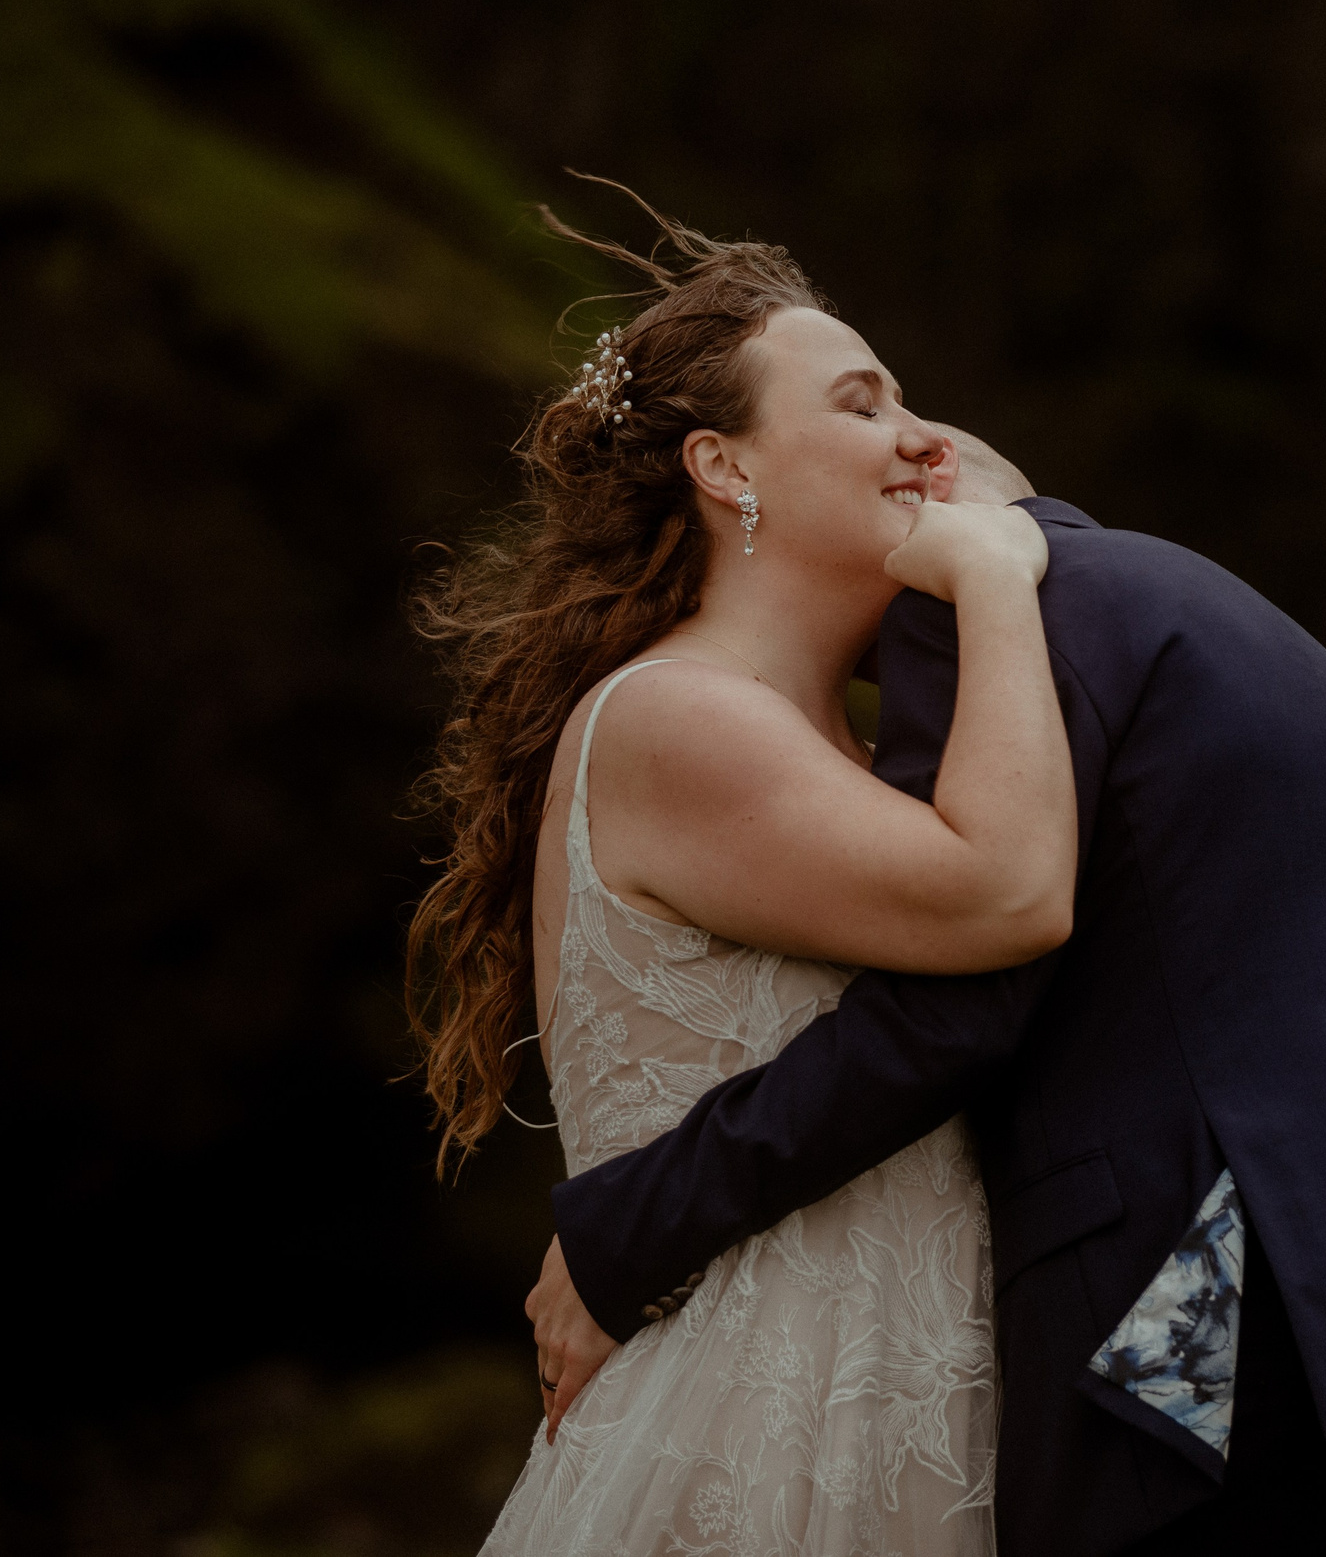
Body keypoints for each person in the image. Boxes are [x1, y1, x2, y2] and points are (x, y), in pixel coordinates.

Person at [524, 437, 1326, 1552]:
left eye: (895, 421)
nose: (890, 450)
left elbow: (959, 1001)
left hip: (1195, 1321)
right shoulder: (1237, 620)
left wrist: (628, 1230)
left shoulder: (992, 622)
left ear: (942, 491)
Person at [406, 199, 1074, 1556]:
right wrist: (999, 580)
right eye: (860, 401)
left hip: (900, 1399)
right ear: (726, 465)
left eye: (910, 403)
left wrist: (944, 489)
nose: (919, 440)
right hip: (762, 1434)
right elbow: (1008, 894)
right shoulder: (678, 719)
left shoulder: (838, 745)